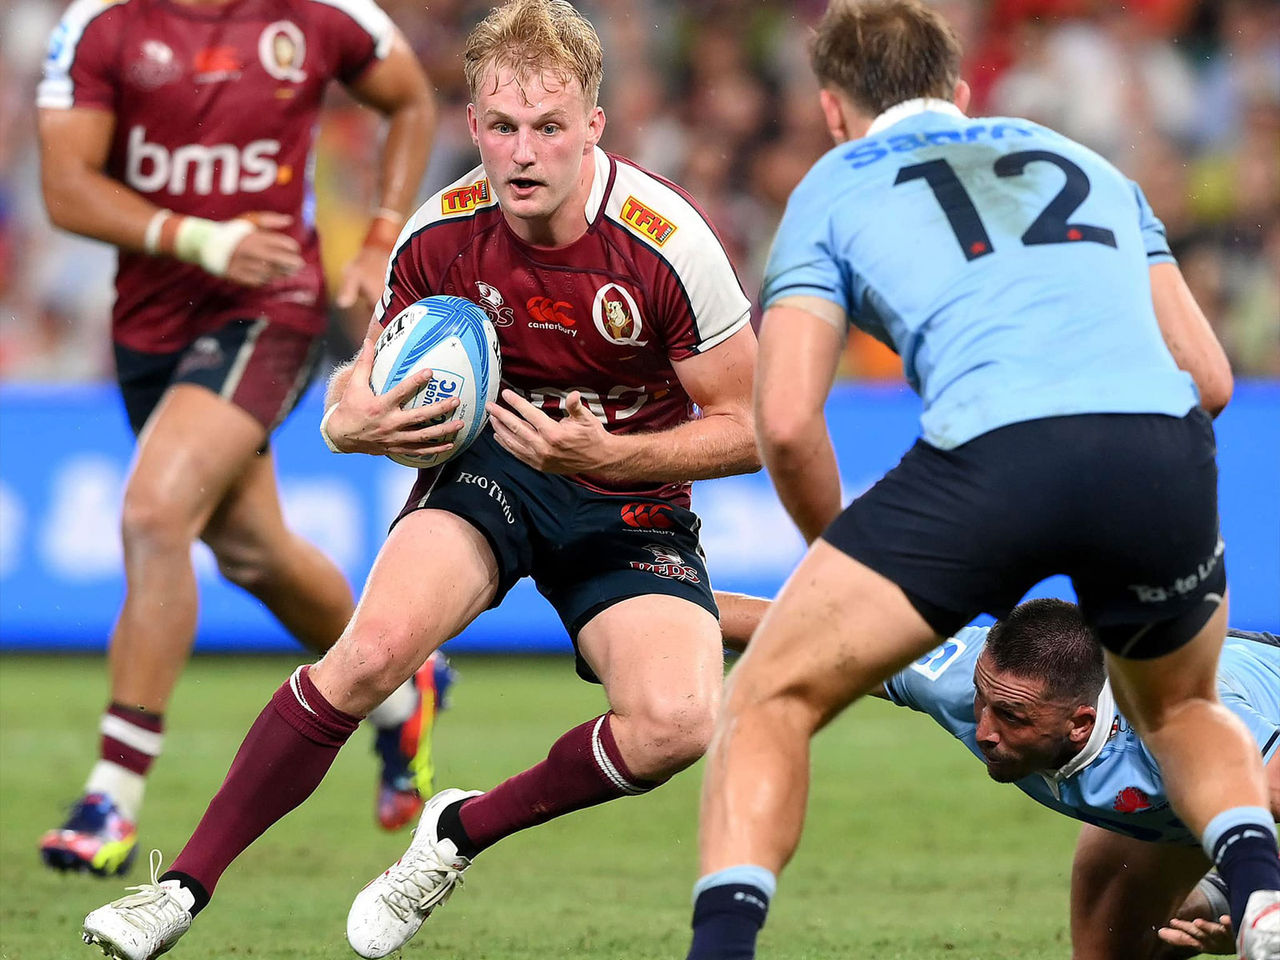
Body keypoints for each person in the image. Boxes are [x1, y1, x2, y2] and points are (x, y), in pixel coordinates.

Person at [79, 1, 760, 957]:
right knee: (366, 656)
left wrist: (613, 457)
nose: (524, 153)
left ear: (593, 127)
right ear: (473, 125)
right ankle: (180, 892)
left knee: (676, 723)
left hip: (626, 493)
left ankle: (458, 832)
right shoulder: (440, 235)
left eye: (550, 127)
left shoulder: (667, 242)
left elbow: (754, 430)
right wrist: (346, 423)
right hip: (490, 475)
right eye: (504, 127)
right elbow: (361, 390)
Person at [685, 3, 1280, 960]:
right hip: (1157, 446)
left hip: (990, 450)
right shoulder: (1090, 165)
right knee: (1183, 710)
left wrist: (838, 570)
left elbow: (788, 421)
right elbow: (1209, 379)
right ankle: (1260, 895)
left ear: (835, 111)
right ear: (960, 97)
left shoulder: (835, 183)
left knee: (770, 702)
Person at [35, 0, 447, 875]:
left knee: (153, 514)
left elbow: (411, 97)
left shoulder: (317, 15)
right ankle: (404, 679)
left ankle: (113, 792)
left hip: (271, 305)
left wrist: (380, 234)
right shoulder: (103, 24)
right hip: (154, 320)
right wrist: (195, 236)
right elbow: (64, 187)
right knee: (254, 552)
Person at [879, 598, 1279, 960]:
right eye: (981, 698)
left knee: (1267, 934)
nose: (984, 730)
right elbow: (829, 650)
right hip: (1173, 800)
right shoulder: (956, 675)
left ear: (1080, 724)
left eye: (1012, 717)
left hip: (1237, 766)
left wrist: (1265, 908)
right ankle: (1223, 894)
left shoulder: (1178, 723)